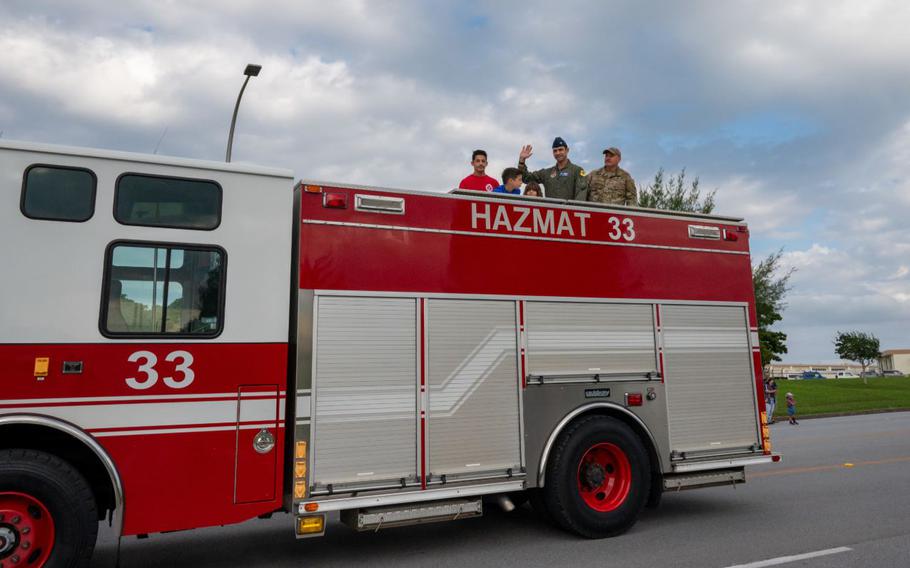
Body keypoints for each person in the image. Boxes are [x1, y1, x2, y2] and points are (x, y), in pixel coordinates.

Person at [517, 137, 588, 201]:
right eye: (555, 151)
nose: (558, 153)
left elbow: (581, 196)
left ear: (567, 150)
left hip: (568, 213)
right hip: (551, 214)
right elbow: (526, 178)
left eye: (560, 150)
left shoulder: (577, 171)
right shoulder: (546, 173)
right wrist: (522, 161)